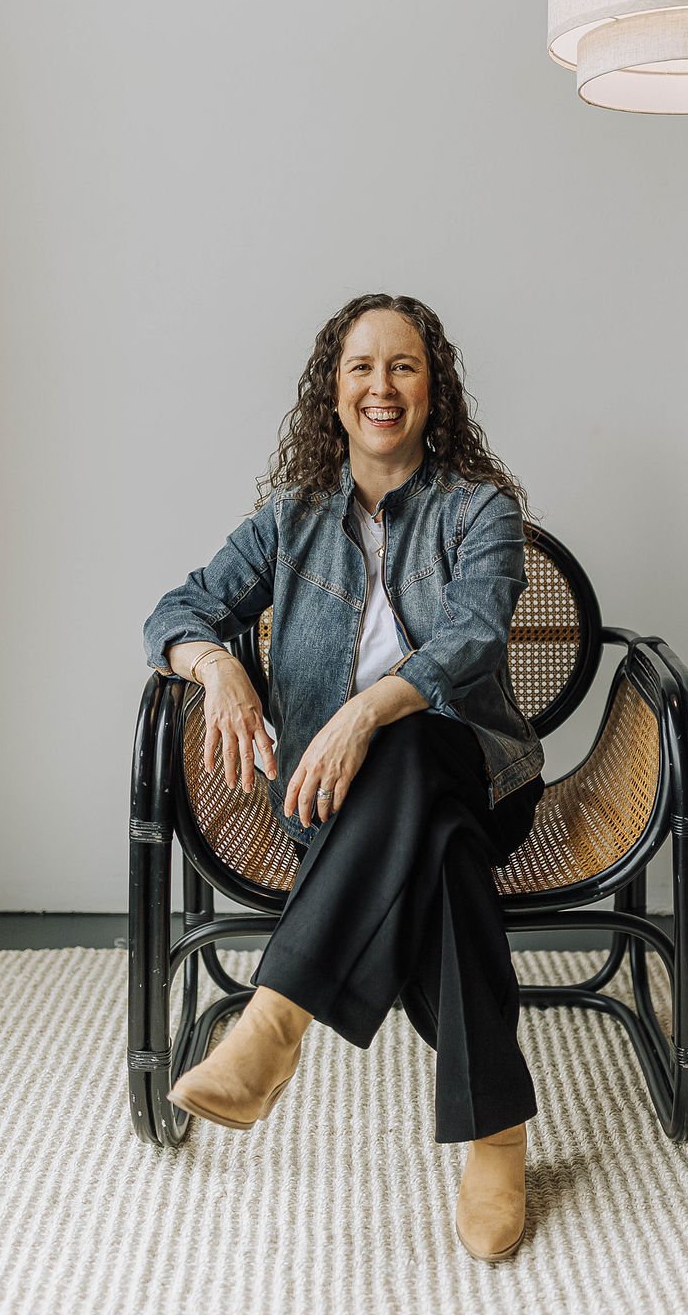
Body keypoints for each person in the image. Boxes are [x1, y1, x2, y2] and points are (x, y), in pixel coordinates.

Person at [142, 293, 547, 1262]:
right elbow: (176, 609)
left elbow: (474, 635)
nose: (382, 386)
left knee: (410, 746)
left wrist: (365, 712)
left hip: (477, 777)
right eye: (362, 366)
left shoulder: (479, 510)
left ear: (431, 386)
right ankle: (497, 1135)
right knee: (439, 863)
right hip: (335, 810)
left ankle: (274, 1018)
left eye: (403, 366)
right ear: (332, 390)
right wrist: (220, 666)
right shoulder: (290, 522)